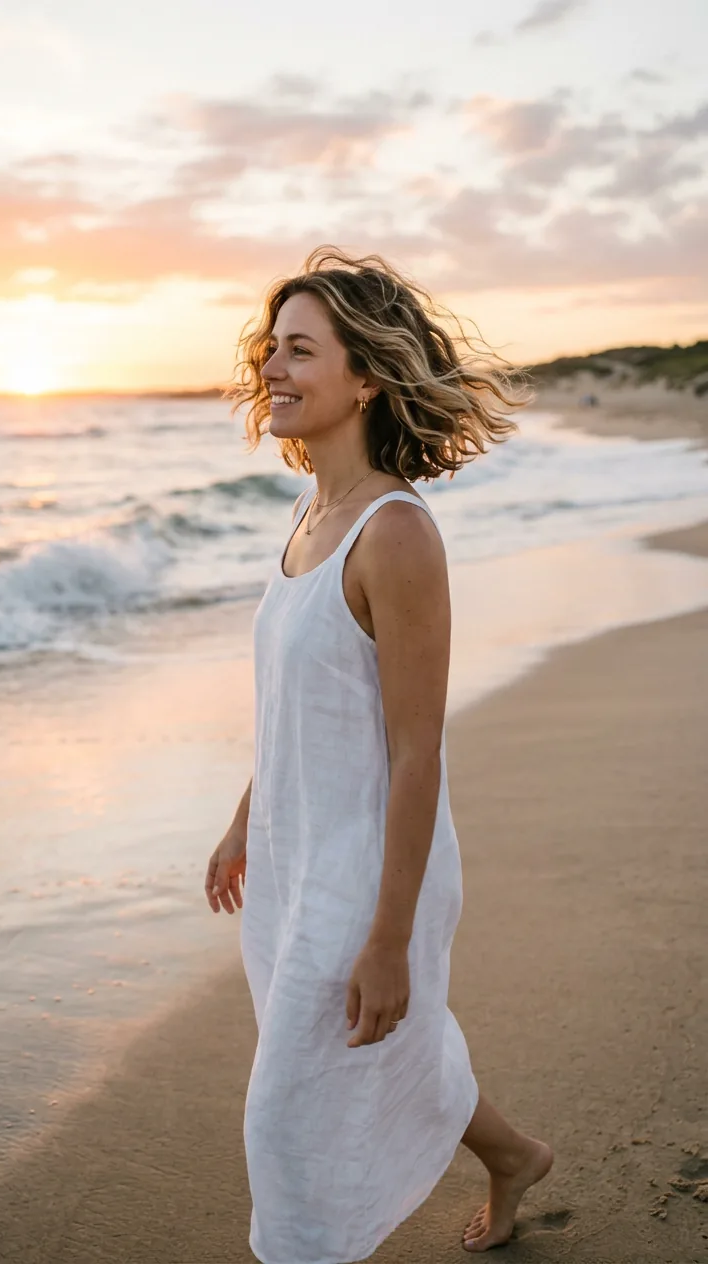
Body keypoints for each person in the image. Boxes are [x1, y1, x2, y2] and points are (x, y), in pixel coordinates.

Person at [205, 246, 553, 1262]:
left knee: (282, 1117)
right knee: (380, 1051)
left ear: (365, 376)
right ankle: (514, 1154)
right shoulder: (310, 516)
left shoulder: (394, 535)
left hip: (364, 865)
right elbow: (299, 711)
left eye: (299, 350)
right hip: (289, 851)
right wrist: (241, 821)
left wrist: (389, 936)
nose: (271, 366)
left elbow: (413, 751)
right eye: (270, 347)